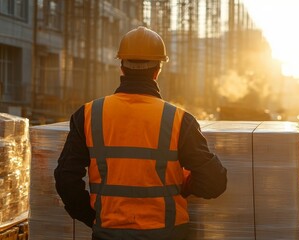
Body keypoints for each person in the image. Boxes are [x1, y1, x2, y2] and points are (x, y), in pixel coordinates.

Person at [54, 26, 228, 240]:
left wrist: (93, 218)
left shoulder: (89, 114)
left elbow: (65, 179)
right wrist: (185, 186)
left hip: (109, 234)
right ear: (158, 70)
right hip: (168, 234)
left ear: (121, 67)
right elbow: (215, 182)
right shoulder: (179, 120)